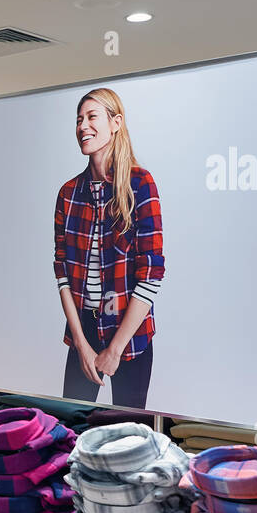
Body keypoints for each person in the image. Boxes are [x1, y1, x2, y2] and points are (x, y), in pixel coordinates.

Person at [53, 87, 165, 409]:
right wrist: (81, 345)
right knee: (69, 427)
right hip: (83, 330)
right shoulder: (68, 193)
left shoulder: (141, 184)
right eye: (78, 120)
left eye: (91, 117)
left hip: (129, 332)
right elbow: (61, 272)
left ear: (115, 122)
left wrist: (115, 349)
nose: (82, 127)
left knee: (129, 436)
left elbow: (152, 272)